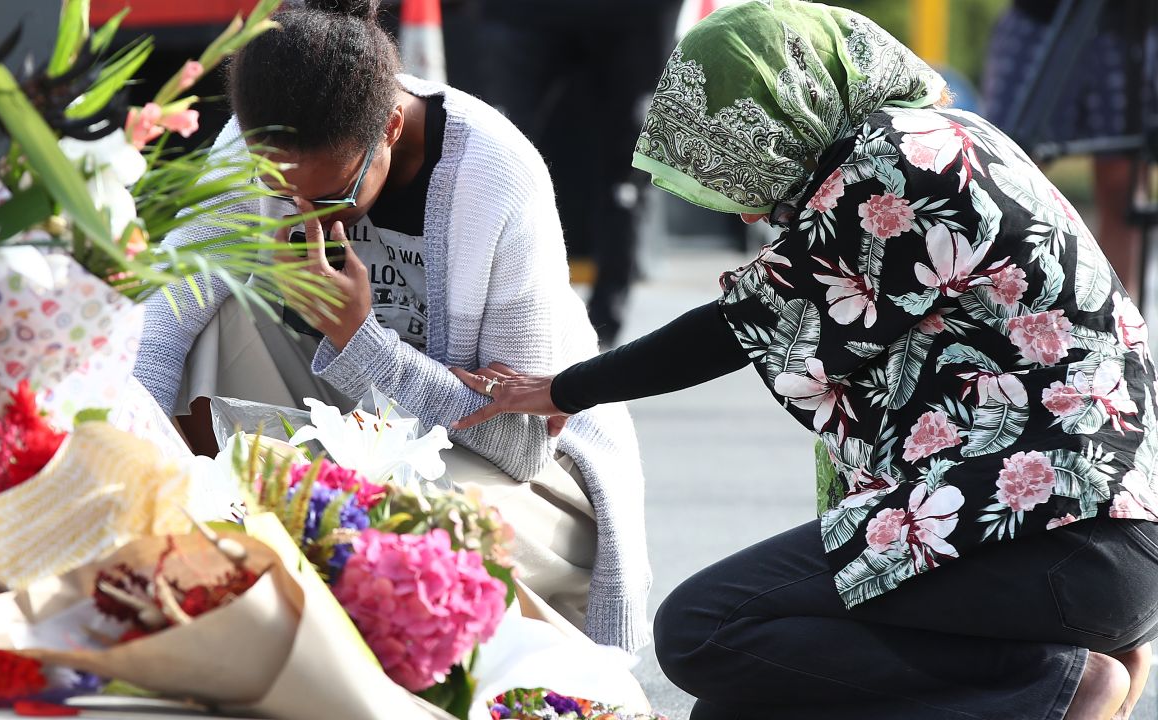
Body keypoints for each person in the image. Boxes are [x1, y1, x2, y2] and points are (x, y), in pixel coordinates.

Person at [451, 2, 1158, 717]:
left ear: (788, 111)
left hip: (1059, 529)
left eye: (738, 158)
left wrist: (562, 389)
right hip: (1072, 535)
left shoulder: (901, 163)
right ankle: (1047, 675)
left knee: (705, 629)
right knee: (741, 697)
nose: (747, 212)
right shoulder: (939, 138)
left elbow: (737, 326)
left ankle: (1053, 686)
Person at [131, 0, 651, 652]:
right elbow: (162, 314)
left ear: (392, 128)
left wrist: (360, 340)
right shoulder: (260, 136)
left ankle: (282, 497)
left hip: (523, 488)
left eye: (332, 197)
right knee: (215, 304)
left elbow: (522, 447)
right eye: (282, 192)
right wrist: (126, 459)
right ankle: (278, 499)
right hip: (361, 436)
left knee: (381, 525)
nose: (308, 215)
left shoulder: (494, 174)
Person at [475, 0, 682, 348]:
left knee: (628, 171)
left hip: (635, 16)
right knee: (500, 151)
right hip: (527, 13)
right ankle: (489, 309)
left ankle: (602, 329)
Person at [983, 0, 1145, 297]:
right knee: (1000, 174)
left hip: (1129, 28)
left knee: (1122, 187)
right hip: (1042, 20)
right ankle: (992, 304)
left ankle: (1118, 319)